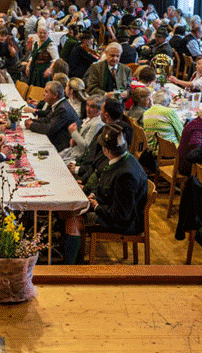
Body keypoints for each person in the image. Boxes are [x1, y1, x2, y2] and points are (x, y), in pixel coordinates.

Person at [61, 123, 148, 265]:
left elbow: (121, 214)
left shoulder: (126, 175)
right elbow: (109, 189)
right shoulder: (123, 160)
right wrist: (94, 196)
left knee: (73, 218)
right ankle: (71, 254)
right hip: (116, 212)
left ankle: (69, 267)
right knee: (69, 209)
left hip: (124, 223)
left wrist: (96, 206)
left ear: (106, 150)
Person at [26, 80, 81, 152]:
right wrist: (33, 120)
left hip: (61, 146)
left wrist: (31, 125)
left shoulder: (62, 109)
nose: (43, 94)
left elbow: (49, 129)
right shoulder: (59, 104)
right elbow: (47, 119)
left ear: (55, 95)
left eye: (46, 92)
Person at [142, 89, 184, 155]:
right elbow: (181, 133)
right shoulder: (169, 112)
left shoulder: (146, 112)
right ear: (168, 102)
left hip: (152, 149)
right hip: (170, 150)